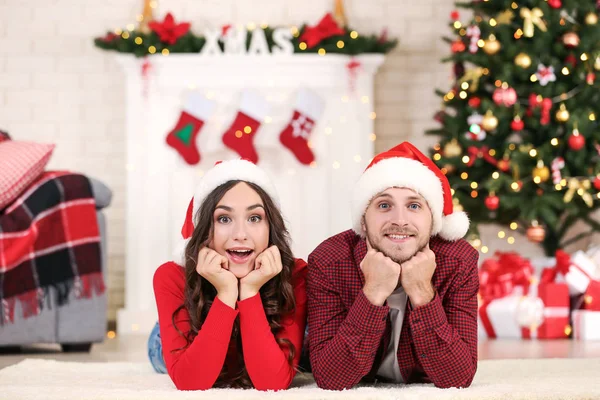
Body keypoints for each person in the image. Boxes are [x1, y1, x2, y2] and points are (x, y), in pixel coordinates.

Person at [307, 141, 479, 390]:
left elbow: (457, 378)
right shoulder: (329, 261)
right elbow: (331, 379)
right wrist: (373, 291)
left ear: (433, 222)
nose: (399, 220)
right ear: (363, 222)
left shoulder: (459, 262)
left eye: (414, 206)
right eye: (384, 205)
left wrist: (422, 292)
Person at [149, 159, 307, 391]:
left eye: (254, 218)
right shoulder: (172, 276)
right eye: (224, 219)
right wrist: (226, 293)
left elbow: (272, 383)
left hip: (255, 342)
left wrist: (250, 291)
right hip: (176, 336)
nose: (240, 234)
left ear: (270, 228)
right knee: (161, 353)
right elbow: (190, 381)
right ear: (204, 230)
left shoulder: (296, 275)